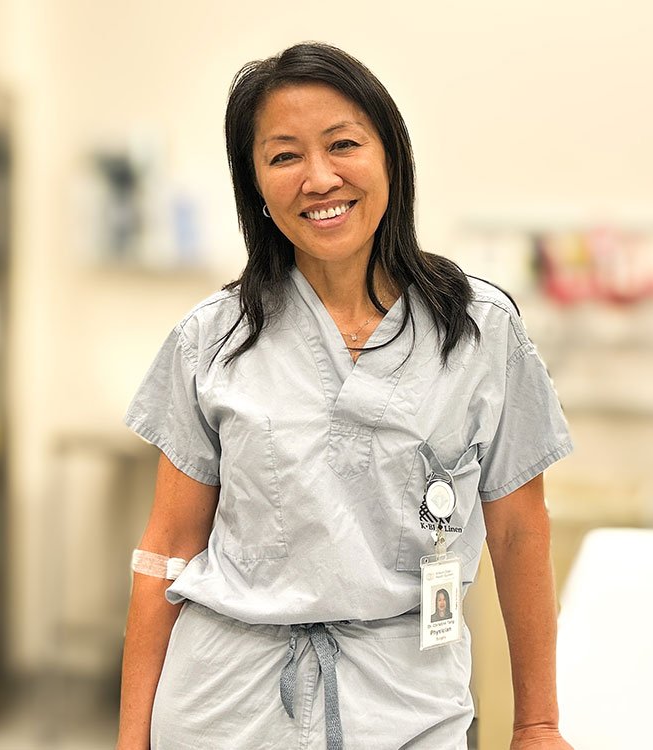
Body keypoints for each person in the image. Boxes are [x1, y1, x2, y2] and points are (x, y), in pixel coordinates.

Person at [118, 41, 574, 750]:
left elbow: (520, 532)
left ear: (390, 156)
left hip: (409, 701)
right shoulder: (211, 339)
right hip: (223, 706)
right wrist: (130, 743)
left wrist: (538, 724)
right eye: (284, 156)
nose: (320, 177)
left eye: (342, 144)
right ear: (257, 188)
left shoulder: (482, 332)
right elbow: (167, 550)